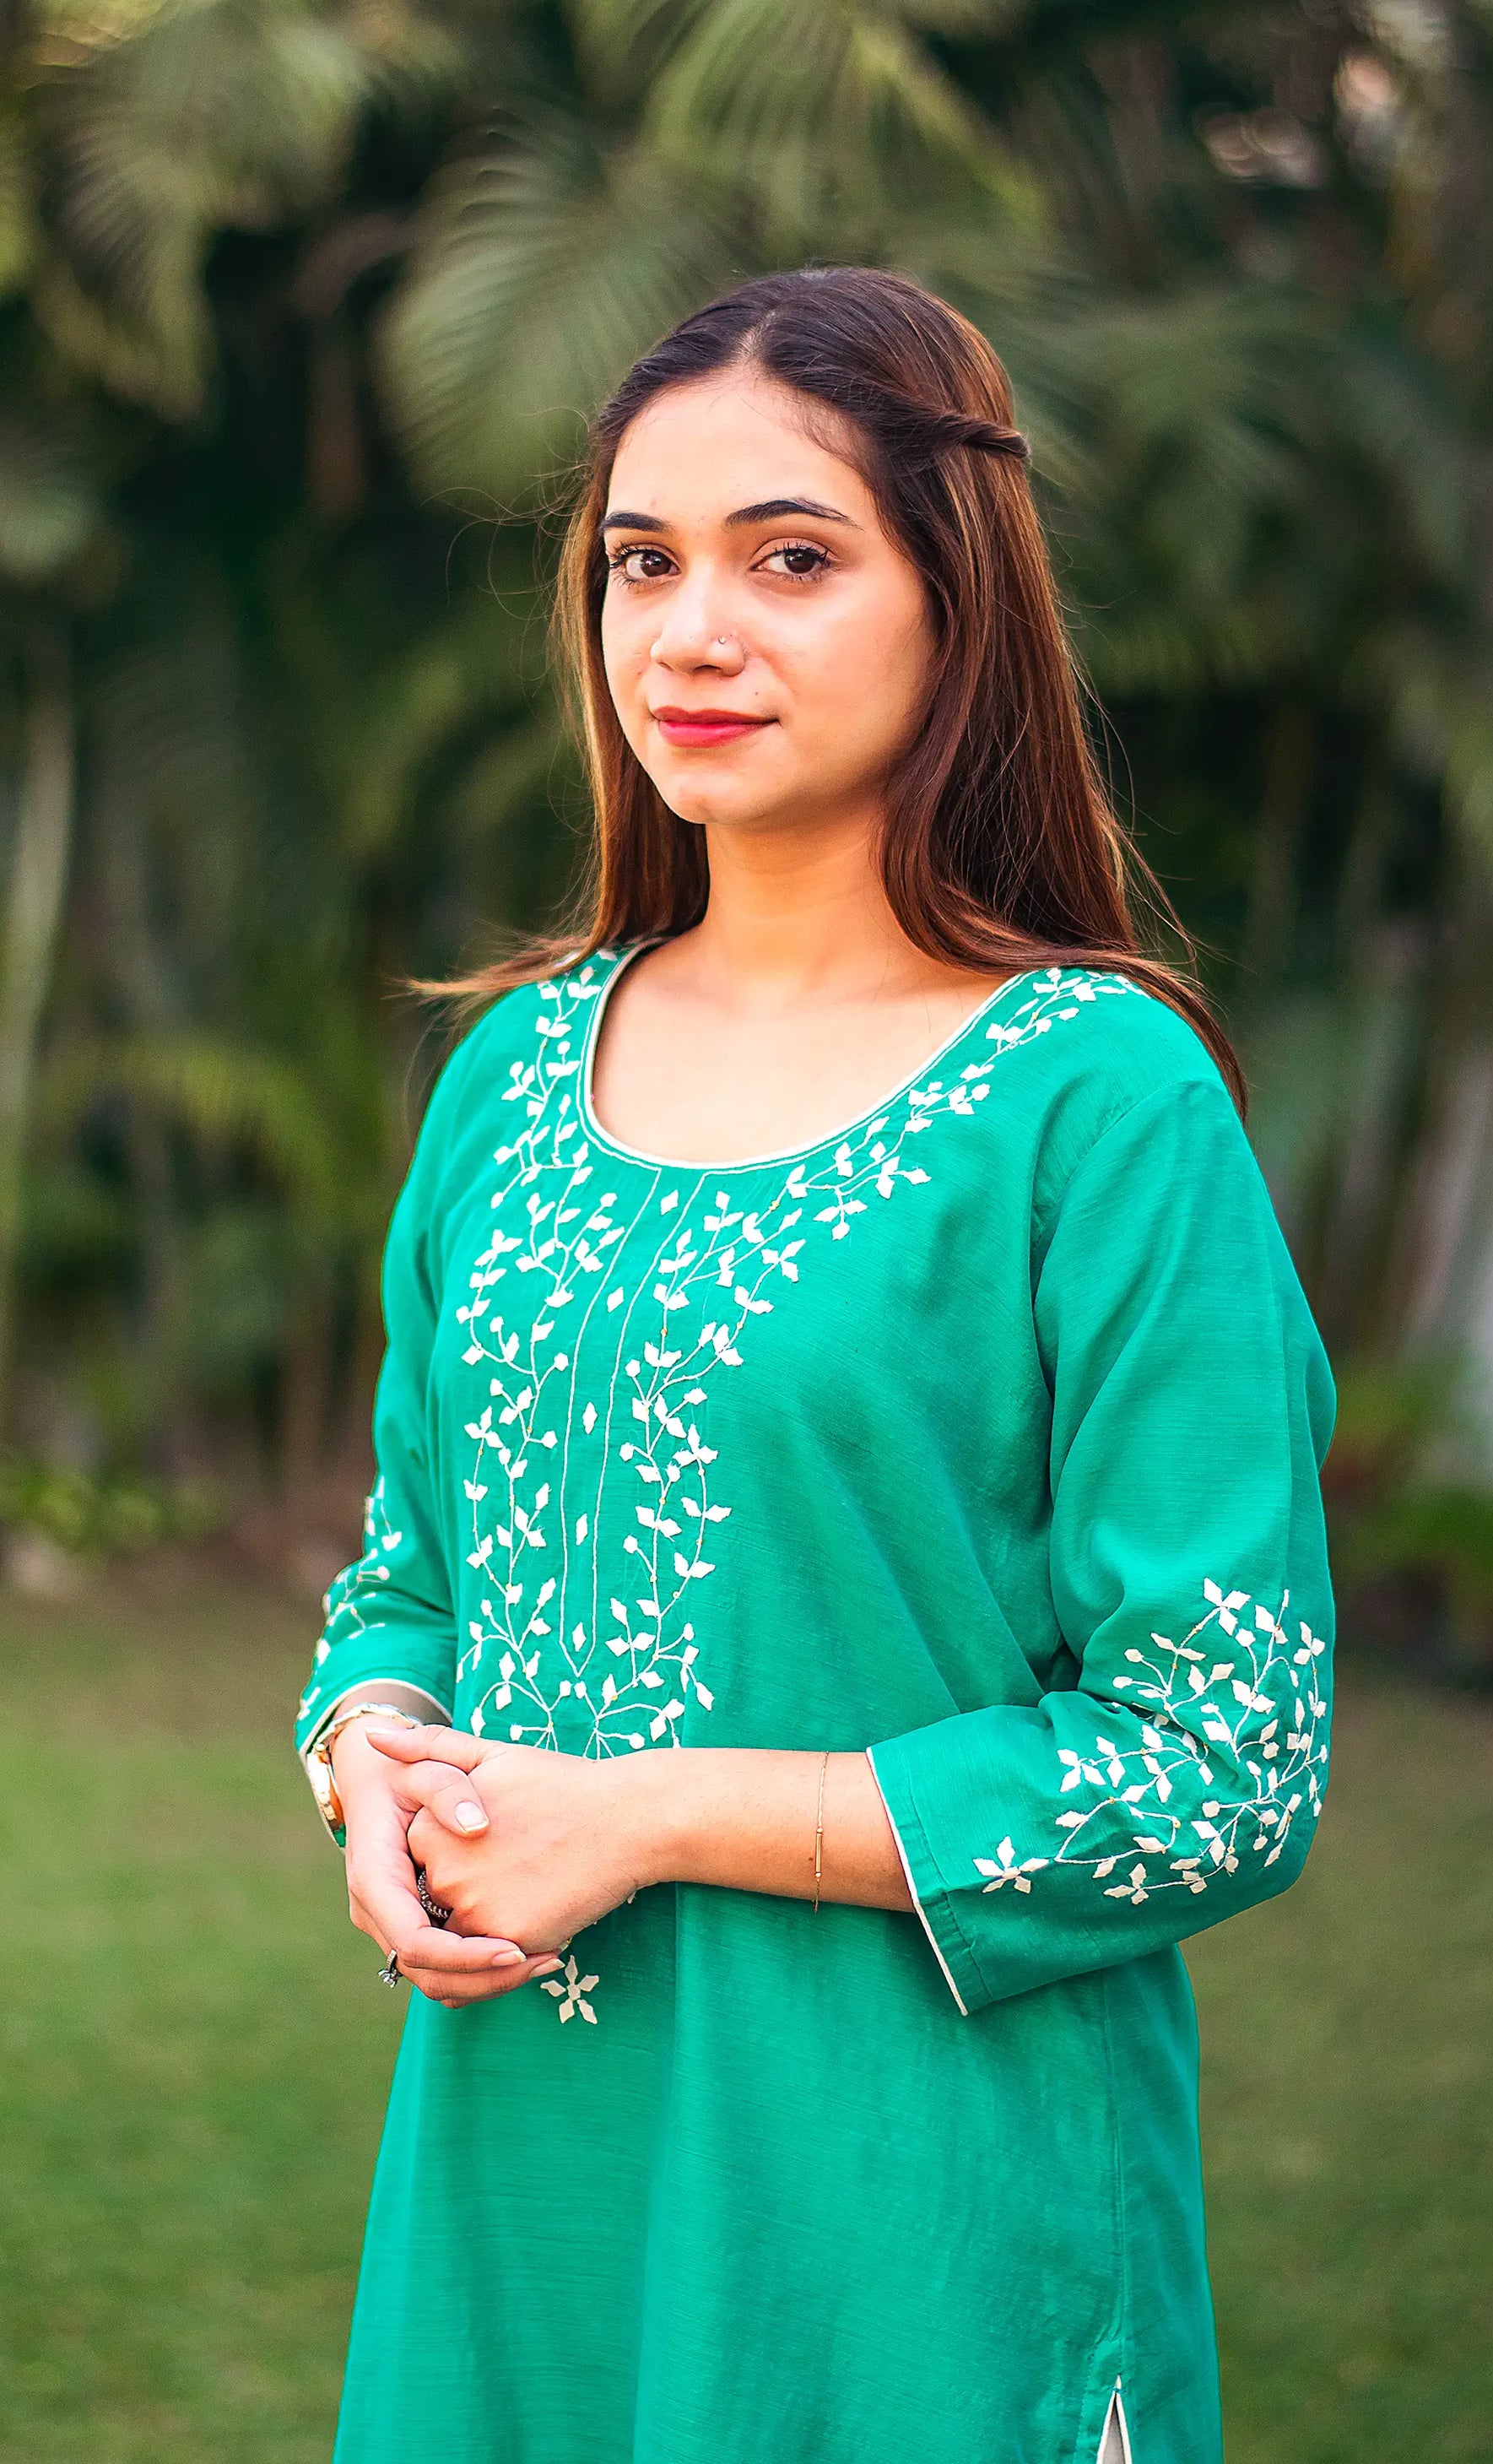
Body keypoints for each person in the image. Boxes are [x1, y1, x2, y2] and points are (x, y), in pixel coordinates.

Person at [295, 265, 1335, 2464]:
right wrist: (367, 1753)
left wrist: (650, 1816)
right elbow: (406, 1575)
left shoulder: (1096, 1100)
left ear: (953, 602)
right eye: (637, 565)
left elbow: (1221, 1760)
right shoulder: (508, 1077)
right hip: (524, 2181)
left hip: (916, 2217)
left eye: (789, 558)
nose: (690, 630)